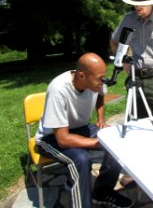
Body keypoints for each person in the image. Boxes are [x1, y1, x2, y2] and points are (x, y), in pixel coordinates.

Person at [35, 52, 133, 208]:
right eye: (100, 78)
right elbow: (62, 139)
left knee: (117, 140)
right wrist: (98, 142)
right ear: (81, 76)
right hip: (50, 138)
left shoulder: (97, 80)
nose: (104, 82)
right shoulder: (58, 89)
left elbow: (101, 95)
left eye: (104, 77)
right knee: (81, 159)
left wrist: (101, 119)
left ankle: (102, 192)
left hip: (80, 128)